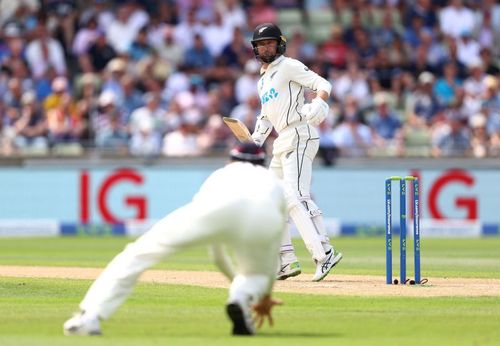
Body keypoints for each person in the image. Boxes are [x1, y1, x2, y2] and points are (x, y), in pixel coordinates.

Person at [63, 143, 287, 336]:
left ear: (230, 160)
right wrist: (265, 294)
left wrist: (231, 276)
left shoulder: (220, 175)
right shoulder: (274, 183)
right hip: (263, 215)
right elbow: (273, 248)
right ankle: (241, 296)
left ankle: (90, 316)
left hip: (216, 209)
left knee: (138, 253)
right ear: (263, 163)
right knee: (254, 275)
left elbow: (217, 254)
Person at [249, 23, 342, 282]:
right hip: (281, 142)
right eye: (260, 44)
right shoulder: (262, 80)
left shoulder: (288, 65)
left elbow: (322, 83)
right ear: (255, 49)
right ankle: (286, 261)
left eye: (269, 42)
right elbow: (266, 117)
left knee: (295, 196)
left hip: (300, 133)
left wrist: (319, 101)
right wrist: (254, 139)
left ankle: (324, 253)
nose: (265, 47)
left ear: (279, 43)